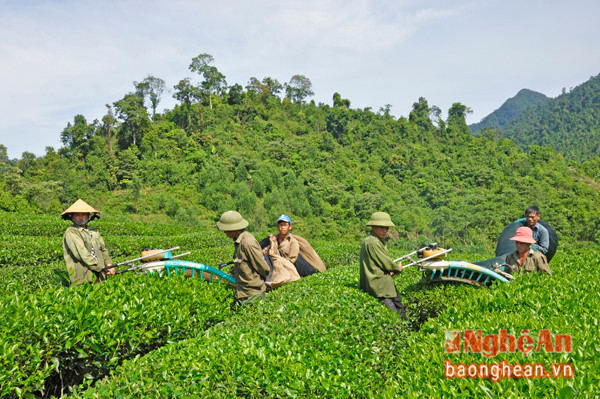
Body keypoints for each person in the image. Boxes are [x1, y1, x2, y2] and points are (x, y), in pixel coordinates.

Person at [217, 210, 270, 307]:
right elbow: (246, 263)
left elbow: (263, 268)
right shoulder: (239, 241)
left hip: (252, 295)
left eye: (226, 229)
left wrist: (257, 281)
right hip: (243, 292)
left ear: (234, 229)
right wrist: (237, 269)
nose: (224, 232)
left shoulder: (248, 243)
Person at [359, 212, 407, 319]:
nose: (385, 230)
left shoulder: (376, 240)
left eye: (386, 228)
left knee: (400, 312)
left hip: (386, 285)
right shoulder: (372, 242)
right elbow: (385, 262)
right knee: (394, 317)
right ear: (373, 226)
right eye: (381, 227)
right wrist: (397, 268)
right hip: (380, 288)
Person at [61, 199, 115, 286]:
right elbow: (81, 253)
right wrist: (100, 267)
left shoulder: (93, 231)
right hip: (83, 276)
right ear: (72, 216)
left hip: (100, 274)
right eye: (77, 215)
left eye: (84, 214)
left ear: (88, 215)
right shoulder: (71, 232)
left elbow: (103, 250)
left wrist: (109, 264)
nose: (81, 217)